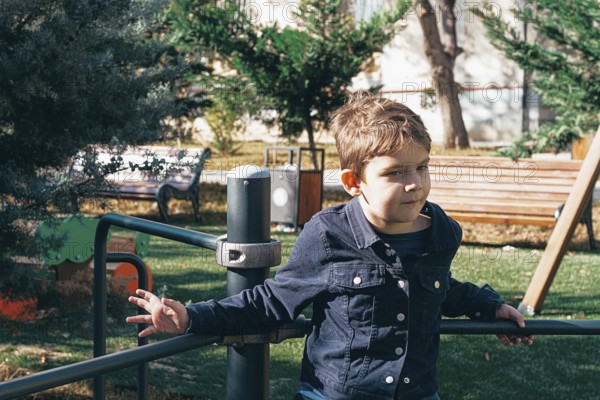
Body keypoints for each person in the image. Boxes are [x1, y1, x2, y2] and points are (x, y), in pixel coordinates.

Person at [126, 91, 534, 400]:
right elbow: (270, 303)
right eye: (395, 173)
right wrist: (191, 317)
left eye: (422, 167)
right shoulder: (327, 235)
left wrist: (488, 306)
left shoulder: (441, 232)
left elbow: (436, 289)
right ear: (354, 183)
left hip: (417, 392)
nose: (414, 183)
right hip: (336, 393)